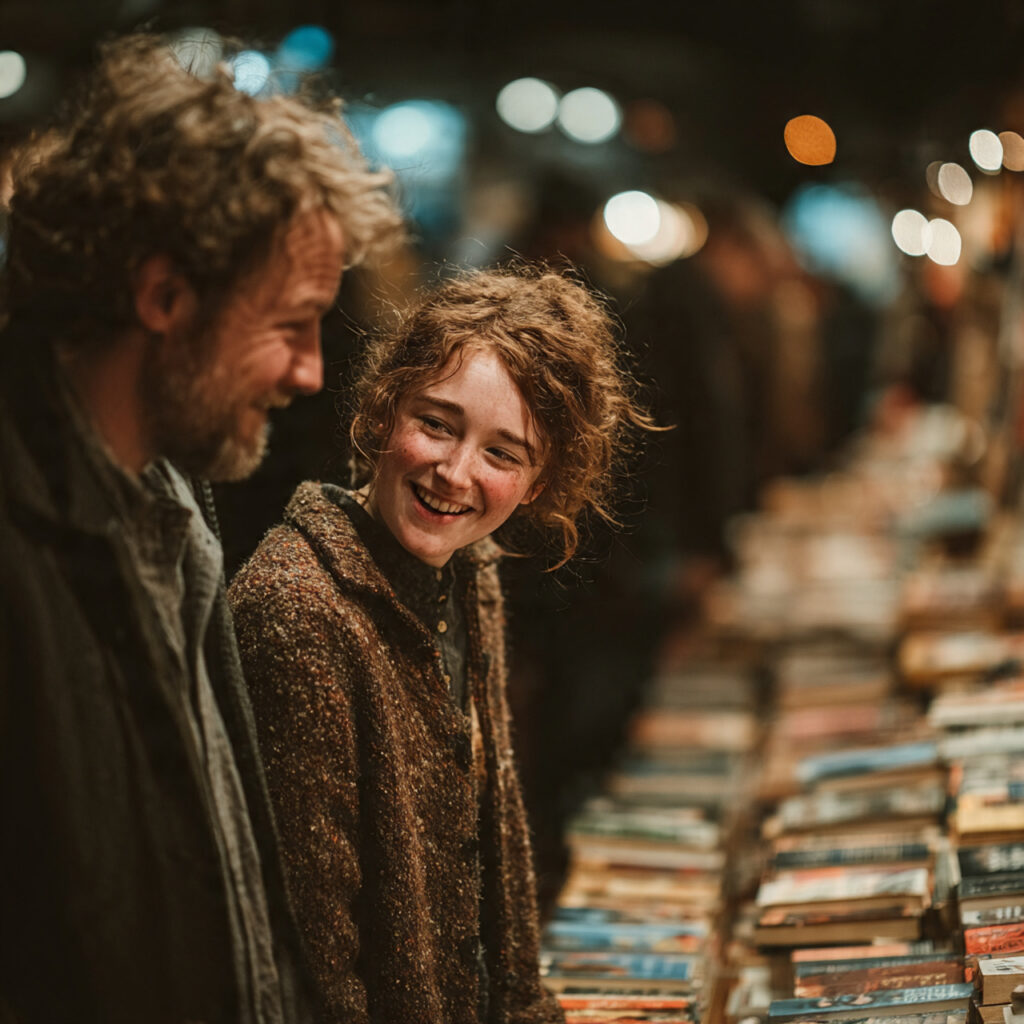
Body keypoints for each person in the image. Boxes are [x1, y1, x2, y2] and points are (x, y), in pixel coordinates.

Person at [0, 33, 402, 1024]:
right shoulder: (25, 548)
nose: (312, 372)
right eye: (291, 321)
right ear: (167, 297)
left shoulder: (178, 511)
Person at [228, 266, 655, 1024]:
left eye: (503, 453)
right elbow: (313, 961)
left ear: (537, 480)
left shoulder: (470, 571)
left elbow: (497, 856)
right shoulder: (297, 610)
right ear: (385, 408)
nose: (455, 474)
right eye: (437, 423)